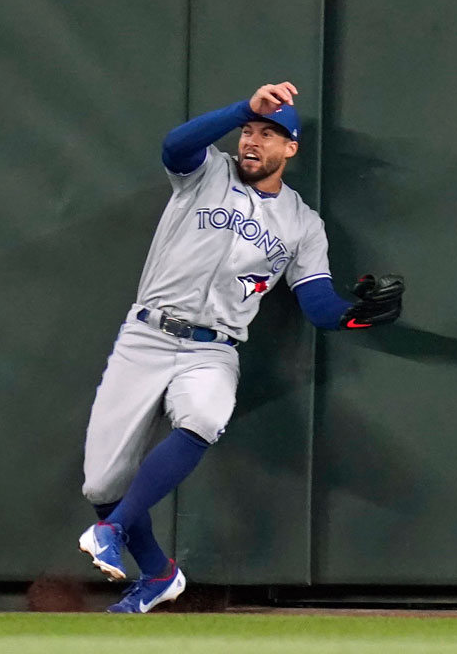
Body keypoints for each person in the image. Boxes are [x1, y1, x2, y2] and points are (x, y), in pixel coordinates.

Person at [76, 82, 404, 614]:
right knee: (101, 482)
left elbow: (317, 304)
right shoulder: (205, 172)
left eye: (268, 134)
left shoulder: (302, 224)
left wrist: (351, 314)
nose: (253, 140)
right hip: (146, 336)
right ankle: (159, 574)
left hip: (213, 350)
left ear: (290, 149)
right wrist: (240, 109)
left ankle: (111, 532)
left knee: (204, 416)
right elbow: (173, 145)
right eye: (249, 131)